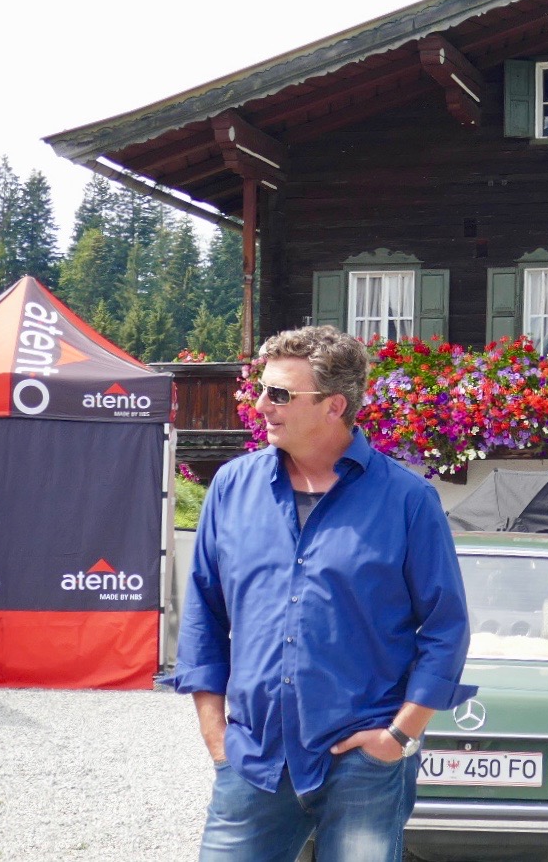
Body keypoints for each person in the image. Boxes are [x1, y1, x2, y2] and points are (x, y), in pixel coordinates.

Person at [166, 326, 474, 862]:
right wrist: (216, 736)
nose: (261, 404)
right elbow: (204, 615)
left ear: (334, 406)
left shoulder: (408, 500)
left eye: (280, 394)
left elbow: (446, 627)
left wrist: (397, 738)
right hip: (254, 758)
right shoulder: (231, 489)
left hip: (364, 763)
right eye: (260, 389)